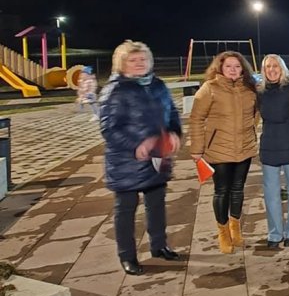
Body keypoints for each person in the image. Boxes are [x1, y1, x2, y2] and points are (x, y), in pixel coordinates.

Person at [99, 40, 182, 275]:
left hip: (157, 158)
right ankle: (127, 256)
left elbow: (172, 114)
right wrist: (136, 145)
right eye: (133, 60)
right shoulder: (115, 90)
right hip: (127, 162)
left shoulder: (158, 85)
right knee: (125, 210)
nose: (139, 63)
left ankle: (159, 246)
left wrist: (174, 133)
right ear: (122, 63)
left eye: (142, 59)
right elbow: (109, 129)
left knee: (156, 204)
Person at [189, 51, 259, 254]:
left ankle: (235, 229)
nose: (233, 70)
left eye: (237, 66)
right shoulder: (209, 88)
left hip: (244, 148)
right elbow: (196, 119)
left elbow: (256, 113)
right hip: (218, 149)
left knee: (238, 189)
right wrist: (197, 149)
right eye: (228, 66)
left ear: (242, 68)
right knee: (222, 191)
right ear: (220, 68)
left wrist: (251, 130)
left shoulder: (249, 88)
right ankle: (223, 232)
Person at [259, 54, 289, 249]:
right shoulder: (259, 92)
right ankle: (275, 233)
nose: (272, 70)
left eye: (275, 66)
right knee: (271, 193)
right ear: (264, 70)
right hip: (269, 145)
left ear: (282, 68)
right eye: (268, 66)